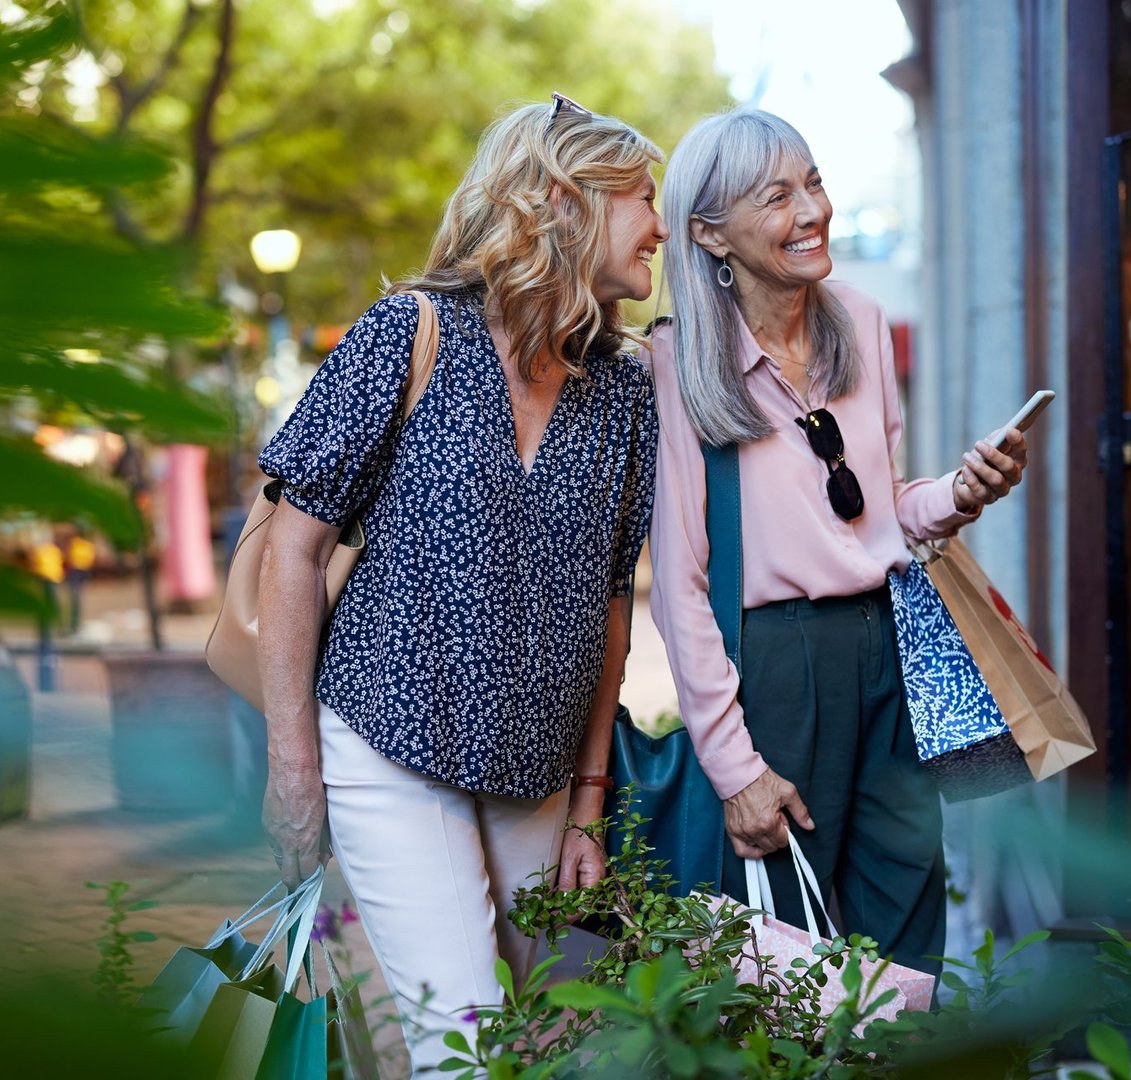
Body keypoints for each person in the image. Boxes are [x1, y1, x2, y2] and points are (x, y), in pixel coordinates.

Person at [255, 94, 667, 1074]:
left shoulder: (626, 389)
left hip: (538, 768)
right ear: (567, 202)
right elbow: (293, 552)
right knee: (469, 1048)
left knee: (553, 1039)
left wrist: (587, 803)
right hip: (390, 737)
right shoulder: (411, 333)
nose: (660, 223)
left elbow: (613, 605)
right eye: (643, 197)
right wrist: (292, 766)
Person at [648, 108, 1029, 975]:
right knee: (786, 942)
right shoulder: (675, 365)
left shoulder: (857, 317)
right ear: (710, 233)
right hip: (780, 671)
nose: (811, 209)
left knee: (906, 907)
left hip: (886, 646)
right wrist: (734, 765)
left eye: (812, 181)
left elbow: (879, 507)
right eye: (776, 196)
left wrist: (960, 494)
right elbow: (680, 585)